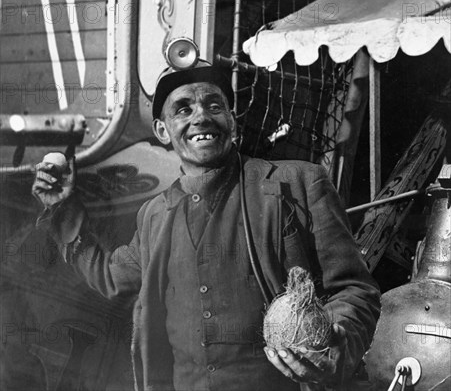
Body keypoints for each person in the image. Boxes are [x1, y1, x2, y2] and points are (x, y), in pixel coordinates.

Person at [33, 60, 381, 391]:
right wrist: (63, 208)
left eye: (214, 106)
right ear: (162, 131)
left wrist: (337, 342)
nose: (201, 116)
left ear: (231, 121)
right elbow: (113, 277)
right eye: (183, 109)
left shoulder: (300, 183)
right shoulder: (154, 215)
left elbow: (355, 290)